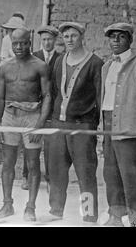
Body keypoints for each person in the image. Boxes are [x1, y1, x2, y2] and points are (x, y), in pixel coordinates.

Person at [44, 22, 103, 223]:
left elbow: (99, 96)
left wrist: (94, 124)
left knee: (85, 173)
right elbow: (52, 93)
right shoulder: (60, 60)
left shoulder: (95, 63)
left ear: (82, 37)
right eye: (66, 36)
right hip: (59, 124)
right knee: (56, 170)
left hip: (82, 126)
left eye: (73, 36)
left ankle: (88, 213)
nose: (69, 40)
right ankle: (56, 209)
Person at [101, 23, 136, 227]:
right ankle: (115, 217)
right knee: (111, 174)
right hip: (109, 127)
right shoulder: (107, 66)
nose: (115, 41)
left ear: (130, 40)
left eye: (121, 37)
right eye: (112, 37)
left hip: (131, 131)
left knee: (132, 179)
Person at [0, 28, 51, 221]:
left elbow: (48, 96)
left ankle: (30, 207)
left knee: (33, 163)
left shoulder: (40, 66)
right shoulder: (4, 67)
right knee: (7, 163)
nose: (19, 47)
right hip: (9, 116)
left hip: (31, 117)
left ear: (30, 42)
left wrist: (40, 124)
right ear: (10, 43)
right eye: (15, 43)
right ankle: (7, 204)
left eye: (23, 43)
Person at [21, 25, 61, 191]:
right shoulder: (32, 57)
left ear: (55, 40)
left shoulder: (61, 58)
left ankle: (50, 179)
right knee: (30, 142)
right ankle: (27, 176)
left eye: (50, 39)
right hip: (34, 107)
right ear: (40, 41)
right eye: (44, 39)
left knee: (51, 146)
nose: (47, 42)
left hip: (52, 108)